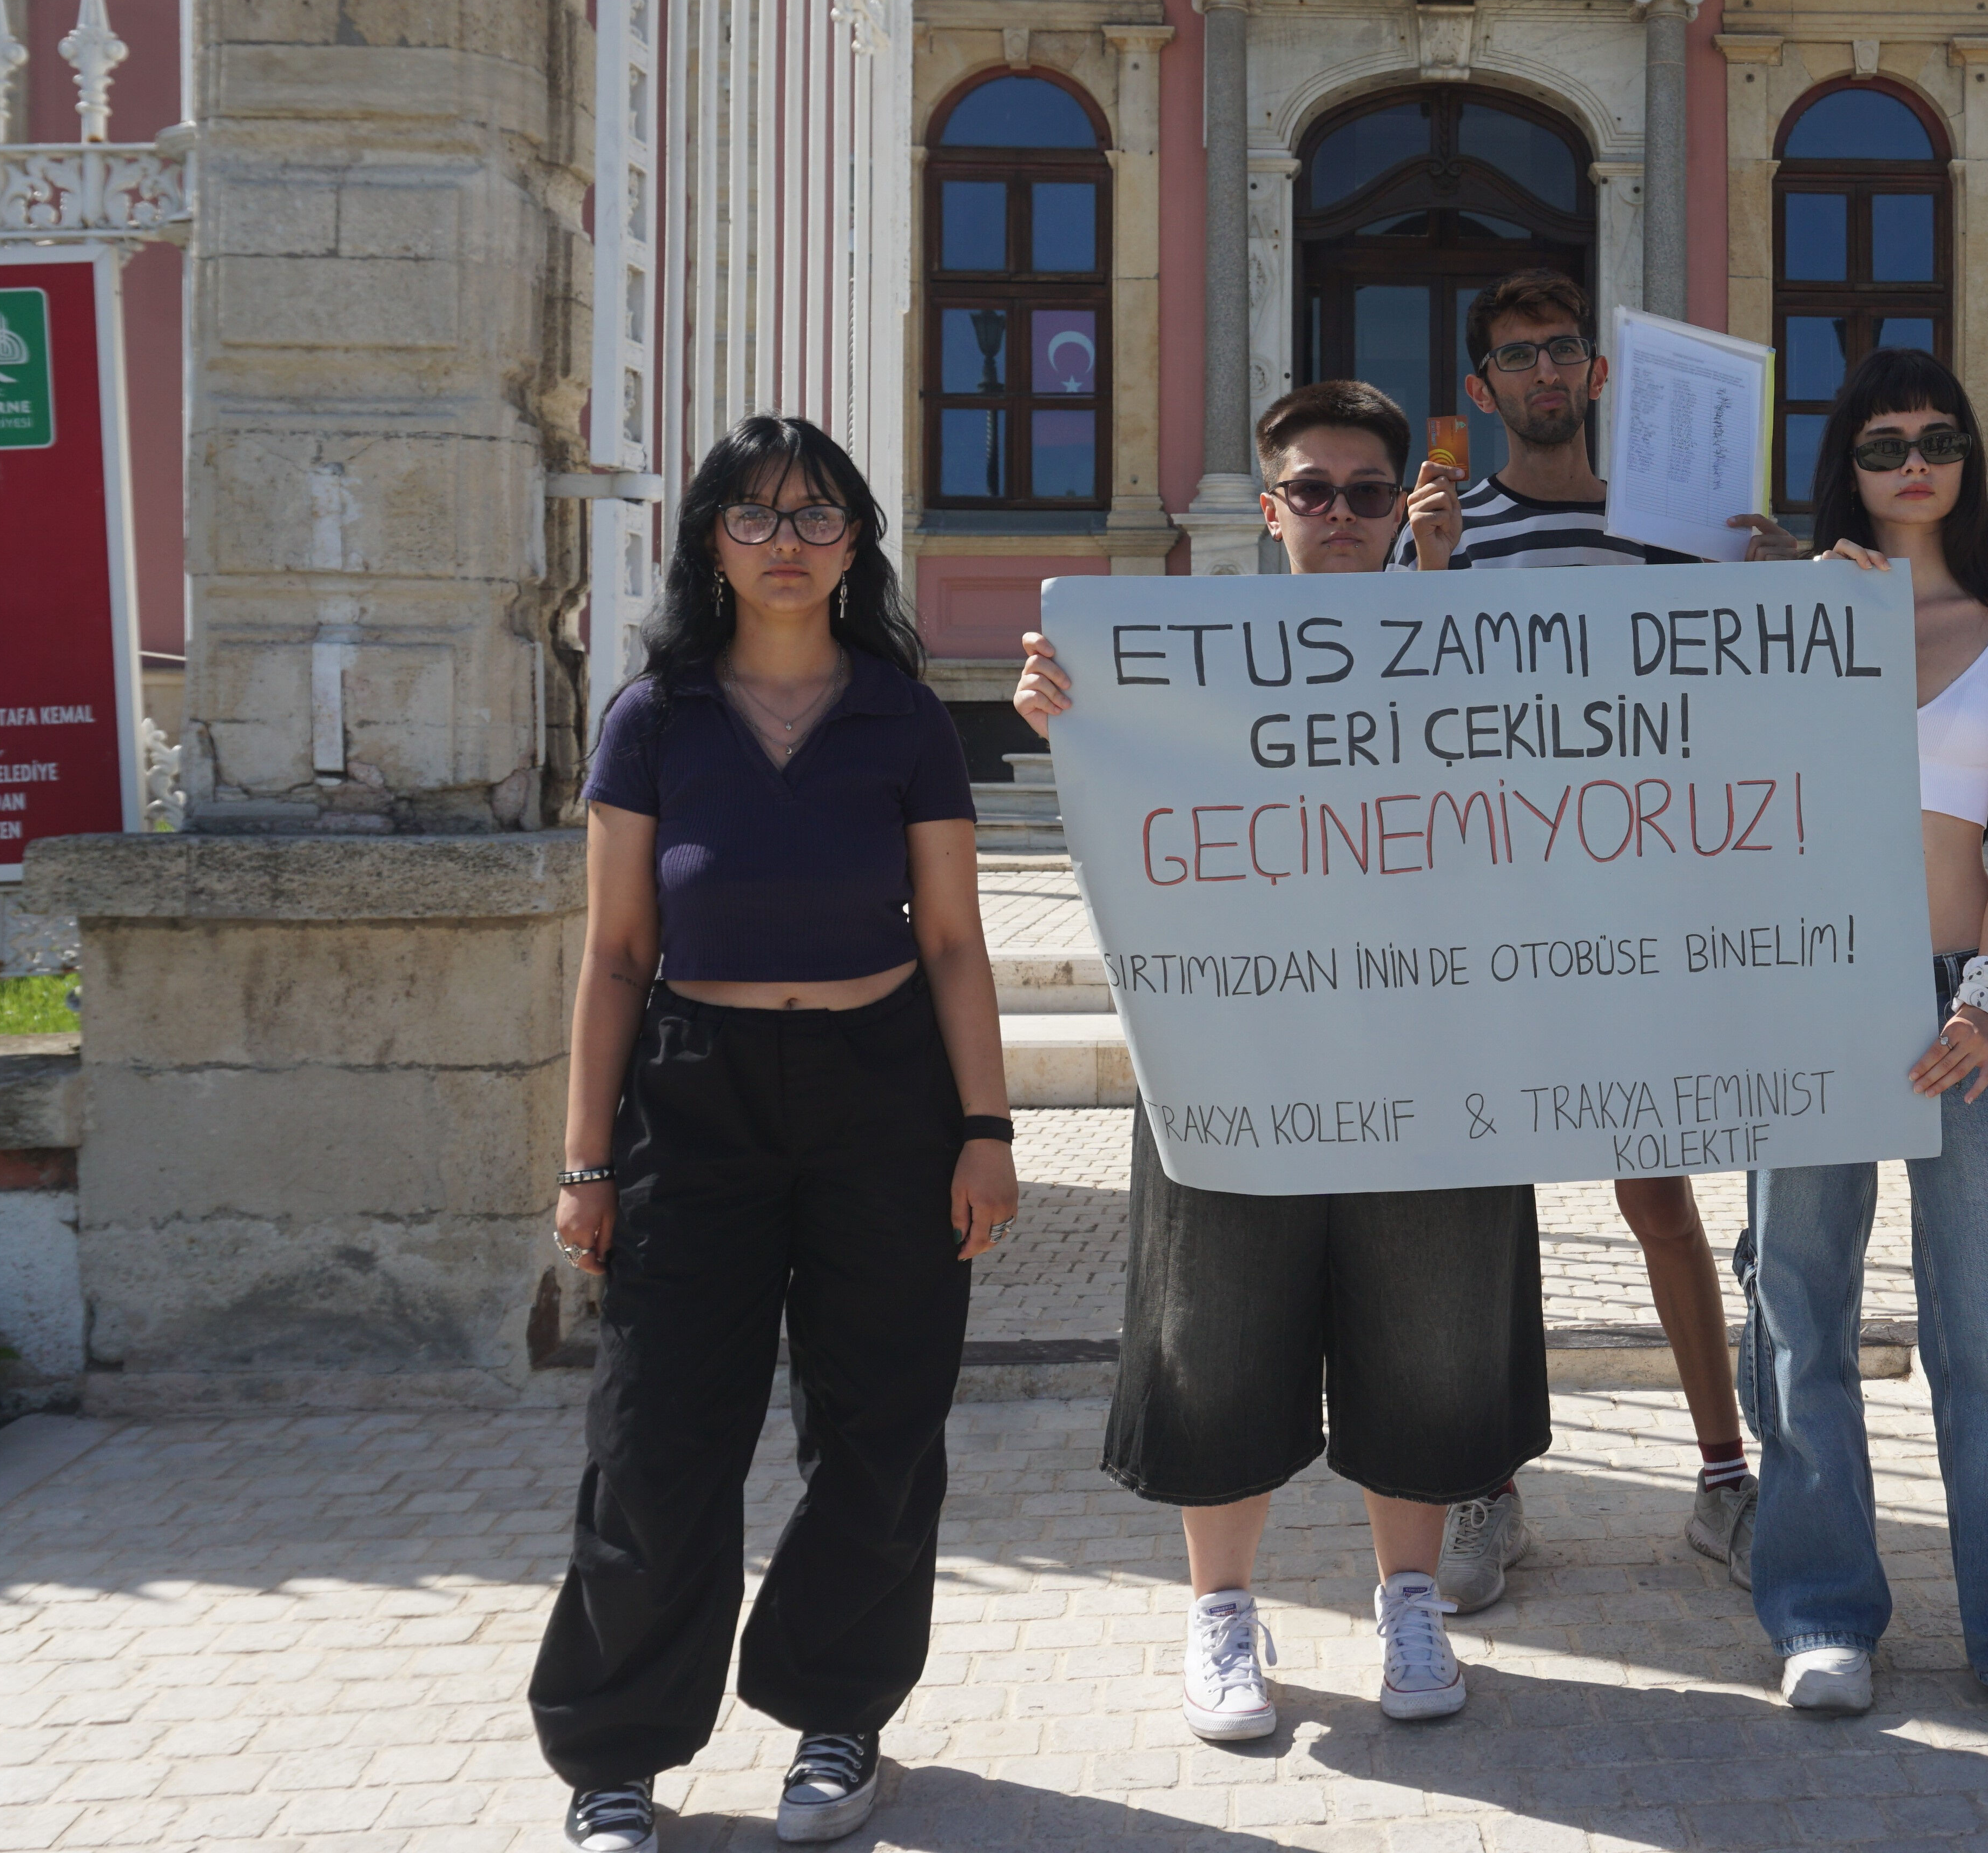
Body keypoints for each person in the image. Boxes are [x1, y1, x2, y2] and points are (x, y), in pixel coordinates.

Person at [1010, 380, 1541, 1745]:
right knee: (1220, 1321)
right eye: (1316, 491)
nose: (1344, 513)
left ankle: (1408, 1597)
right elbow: (1131, 820)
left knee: (1427, 1322)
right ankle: (1224, 1611)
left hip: (1428, 1043)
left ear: (1405, 503)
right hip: (1232, 1045)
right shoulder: (1185, 659)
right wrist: (1072, 718)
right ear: (1271, 509)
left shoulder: (1474, 645)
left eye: (1372, 491)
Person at [531, 418, 1018, 1853]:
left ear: (858, 541)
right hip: (695, 1093)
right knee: (660, 1436)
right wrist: (584, 1160)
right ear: (710, 543)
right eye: (753, 516)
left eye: (815, 516)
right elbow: (615, 953)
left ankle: (836, 1718)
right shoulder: (655, 716)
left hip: (885, 1091)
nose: (785, 542)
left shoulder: (903, 715)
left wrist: (985, 1129)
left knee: (879, 1425)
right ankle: (616, 1751)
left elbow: (955, 944)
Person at [1387, 265, 1799, 1612]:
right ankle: (1481, 1486)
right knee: (1477, 1216)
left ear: (1601, 373)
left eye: (1566, 349)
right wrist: (1426, 570)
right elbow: (1384, 698)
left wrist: (1782, 576)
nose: (1547, 373)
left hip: (1638, 918)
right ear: (1482, 388)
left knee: (1658, 1196)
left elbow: (1746, 682)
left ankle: (1724, 1475)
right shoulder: (1447, 528)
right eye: (1520, 356)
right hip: (1494, 917)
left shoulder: (1672, 525)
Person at [1758, 346, 1988, 1728]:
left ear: (1968, 461)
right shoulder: (1787, 611)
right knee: (1801, 1305)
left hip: (1966, 993)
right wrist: (1783, 615)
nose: (1914, 462)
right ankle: (1824, 1608)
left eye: (1940, 439)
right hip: (1814, 984)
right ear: (1850, 459)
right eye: (1885, 441)